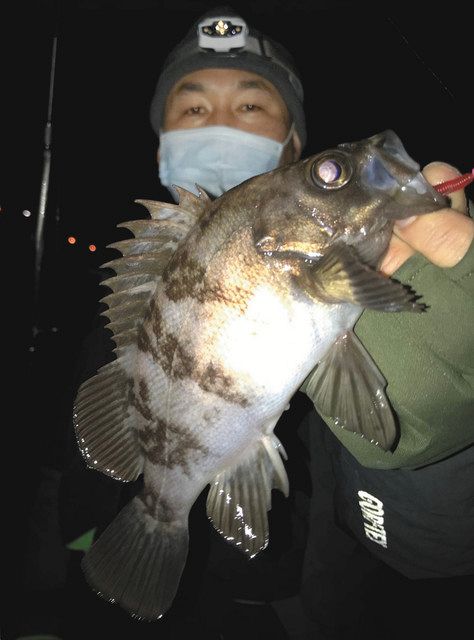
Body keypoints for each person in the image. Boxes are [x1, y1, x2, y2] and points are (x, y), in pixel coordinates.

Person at [14, 6, 473, 640]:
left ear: (291, 147)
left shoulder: (371, 282)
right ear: (161, 144)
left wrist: (433, 459)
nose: (221, 123)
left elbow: (418, 554)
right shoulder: (111, 329)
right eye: (194, 109)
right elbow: (67, 488)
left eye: (252, 106)